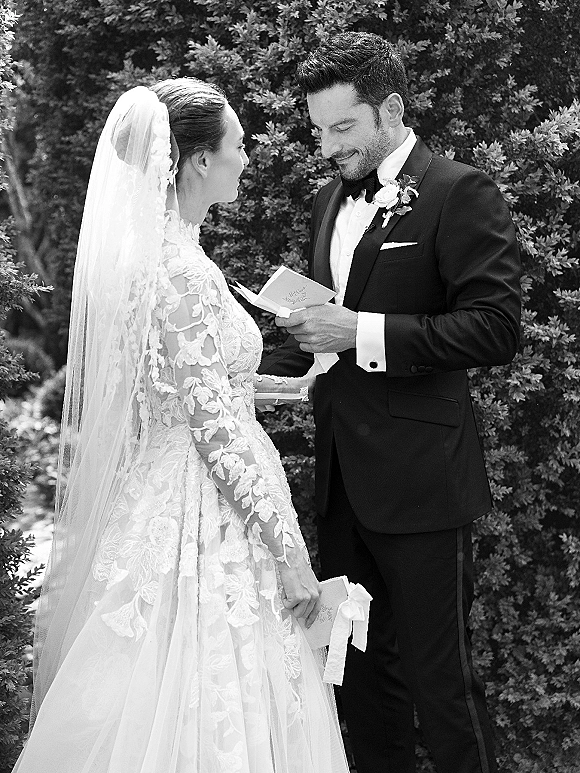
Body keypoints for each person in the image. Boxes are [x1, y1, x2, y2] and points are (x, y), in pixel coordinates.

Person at [13, 79, 350, 773]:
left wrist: (277, 381)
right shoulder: (185, 272)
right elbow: (214, 434)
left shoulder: (167, 256)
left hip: (161, 490)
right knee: (214, 683)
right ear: (198, 160)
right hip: (205, 512)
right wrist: (286, 553)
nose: (247, 159)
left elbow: (180, 384)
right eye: (239, 145)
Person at [259, 32, 521, 773]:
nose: (326, 146)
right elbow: (320, 328)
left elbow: (496, 327)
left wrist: (361, 330)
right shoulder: (323, 201)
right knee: (363, 684)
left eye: (342, 127)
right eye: (317, 129)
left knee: (445, 688)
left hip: (425, 485)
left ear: (391, 110)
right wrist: (248, 375)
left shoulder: (459, 191)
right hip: (344, 487)